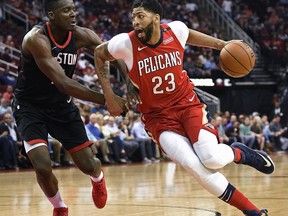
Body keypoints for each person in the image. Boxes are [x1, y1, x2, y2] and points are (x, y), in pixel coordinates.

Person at [93, 0, 274, 215]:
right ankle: (252, 211)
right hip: (158, 118)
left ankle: (240, 153)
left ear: (156, 18)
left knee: (211, 159)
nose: (135, 22)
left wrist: (222, 44)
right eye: (133, 17)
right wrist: (109, 95)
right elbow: (98, 53)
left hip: (188, 106)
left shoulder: (175, 30)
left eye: (140, 16)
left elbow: (189, 34)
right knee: (192, 164)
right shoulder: (125, 43)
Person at [12, 0, 136, 215]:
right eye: (66, 10)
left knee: (88, 164)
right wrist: (107, 100)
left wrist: (128, 82)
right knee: (42, 165)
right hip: (30, 106)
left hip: (61, 106)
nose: (73, 14)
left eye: (73, 9)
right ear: (51, 15)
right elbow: (64, 83)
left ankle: (97, 178)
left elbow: (114, 55)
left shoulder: (82, 35)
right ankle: (59, 207)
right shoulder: (36, 39)